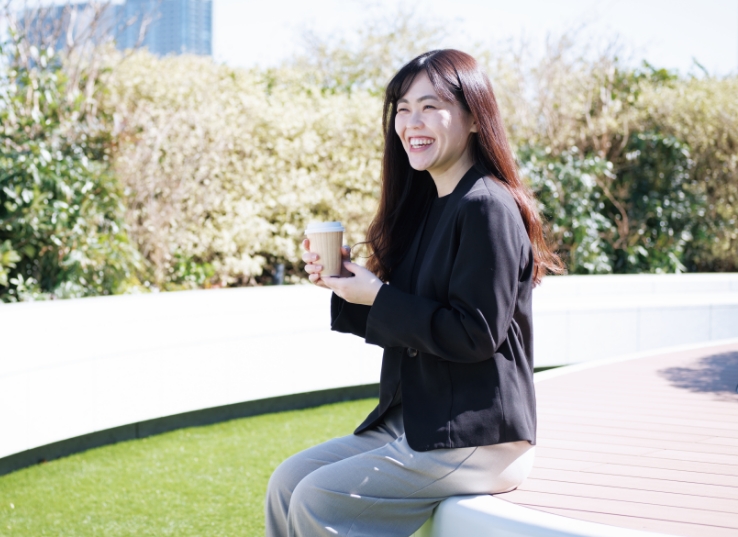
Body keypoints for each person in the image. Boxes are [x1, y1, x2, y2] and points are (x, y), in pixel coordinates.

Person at [265, 49, 562, 537]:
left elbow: (474, 334)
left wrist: (378, 297)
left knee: (318, 499)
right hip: (418, 422)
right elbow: (410, 316)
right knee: (287, 481)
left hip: (478, 438)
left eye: (430, 106)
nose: (411, 123)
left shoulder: (486, 206)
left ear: (474, 118)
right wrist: (350, 285)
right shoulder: (429, 205)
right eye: (403, 109)